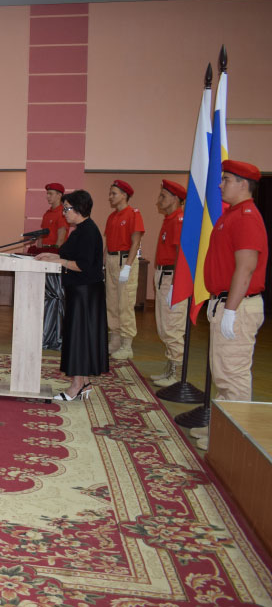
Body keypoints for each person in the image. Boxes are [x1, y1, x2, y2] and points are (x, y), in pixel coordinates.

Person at [194, 160, 267, 451]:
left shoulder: (247, 217)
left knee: (233, 375)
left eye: (226, 179)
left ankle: (233, 442)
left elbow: (246, 268)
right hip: (224, 303)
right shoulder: (232, 214)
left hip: (237, 305)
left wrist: (232, 310)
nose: (220, 184)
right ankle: (221, 429)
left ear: (243, 184)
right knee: (223, 372)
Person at [36, 190, 108, 401]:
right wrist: (51, 255)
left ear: (79, 209)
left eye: (67, 209)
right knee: (79, 337)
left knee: (79, 338)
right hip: (79, 291)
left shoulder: (88, 231)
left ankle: (76, 386)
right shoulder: (80, 230)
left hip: (86, 293)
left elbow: (84, 265)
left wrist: (61, 261)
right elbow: (68, 254)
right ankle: (83, 383)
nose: (64, 213)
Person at [150, 180, 188, 387]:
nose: (158, 200)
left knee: (173, 325)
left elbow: (181, 256)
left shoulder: (179, 220)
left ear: (175, 199)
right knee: (164, 325)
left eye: (163, 196)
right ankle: (170, 368)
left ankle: (178, 373)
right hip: (163, 275)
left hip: (172, 277)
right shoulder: (169, 219)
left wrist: (175, 284)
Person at [104, 180, 144, 360]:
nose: (110, 197)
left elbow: (136, 242)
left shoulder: (133, 214)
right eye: (110, 193)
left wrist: (128, 266)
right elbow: (108, 243)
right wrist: (103, 263)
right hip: (111, 260)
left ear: (124, 195)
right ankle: (115, 340)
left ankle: (127, 345)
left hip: (125, 260)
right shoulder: (112, 217)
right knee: (112, 303)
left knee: (125, 304)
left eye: (114, 193)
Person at [41, 183, 68, 249]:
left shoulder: (63, 213)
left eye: (50, 194)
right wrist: (38, 251)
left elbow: (61, 239)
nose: (47, 196)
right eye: (47, 193)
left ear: (59, 195)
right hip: (44, 250)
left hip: (54, 251)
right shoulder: (47, 213)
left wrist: (54, 252)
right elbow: (41, 236)